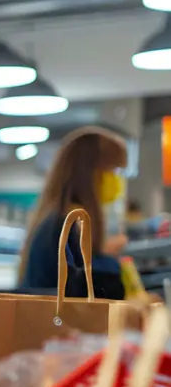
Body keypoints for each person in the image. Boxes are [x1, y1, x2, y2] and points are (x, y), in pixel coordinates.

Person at [19, 126, 128, 296]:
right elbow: (91, 284)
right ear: (90, 171)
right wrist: (108, 260)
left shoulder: (55, 215)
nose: (116, 179)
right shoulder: (73, 218)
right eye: (113, 171)